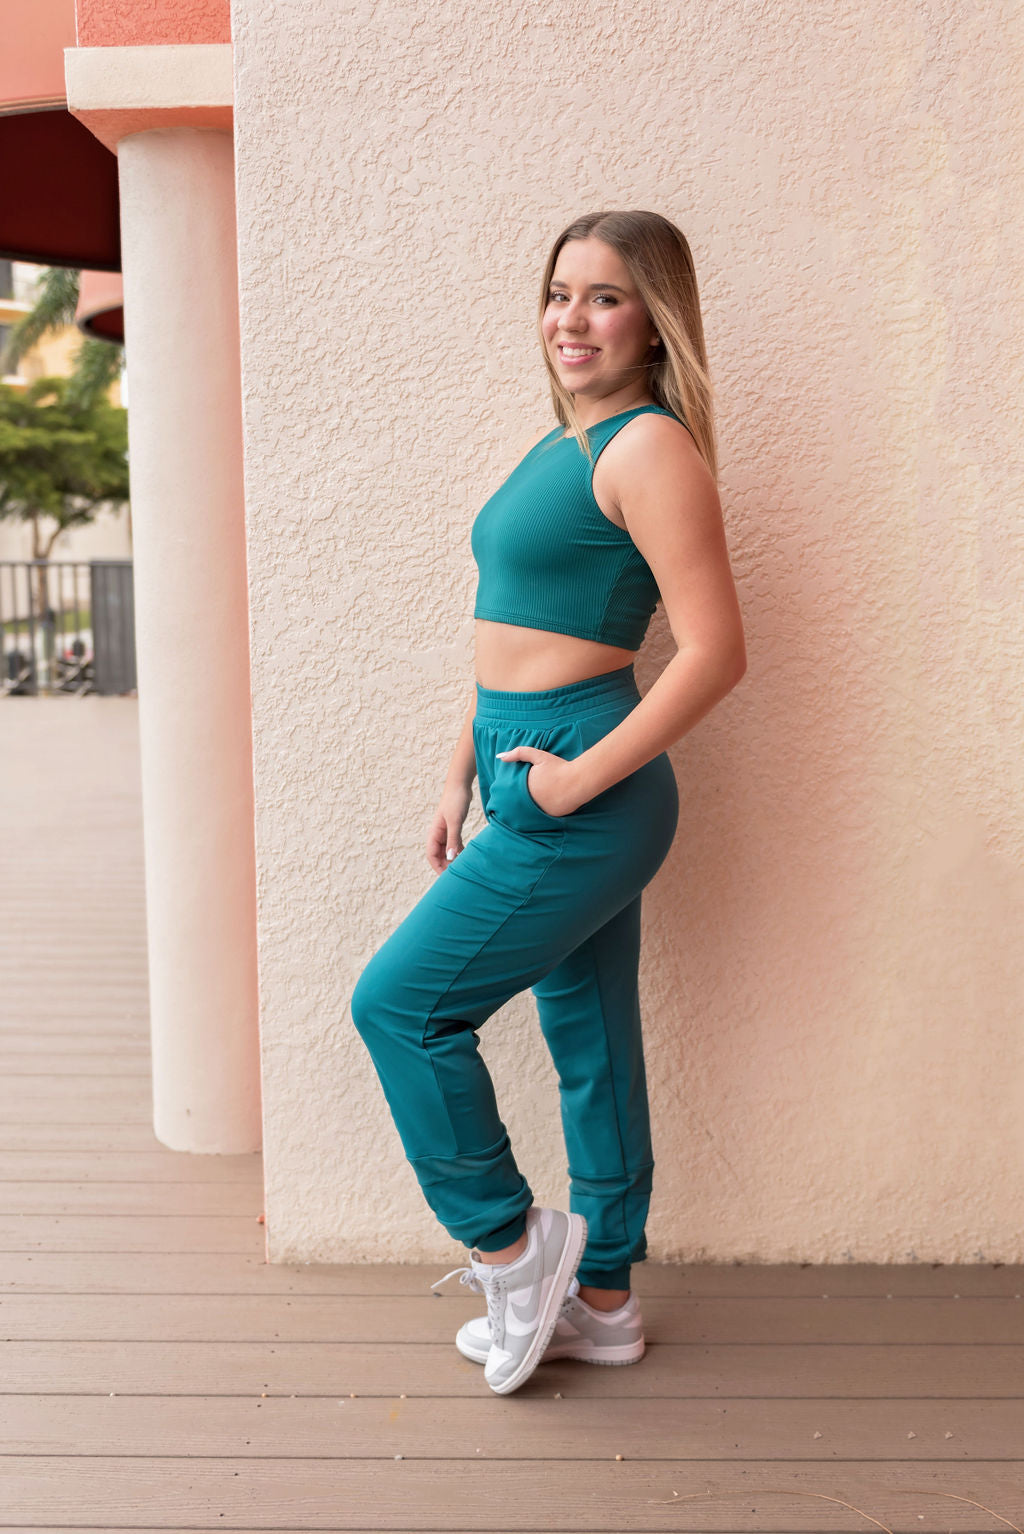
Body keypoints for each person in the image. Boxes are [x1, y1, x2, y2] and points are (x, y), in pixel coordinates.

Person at [351, 208, 746, 1395]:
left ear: (654, 321)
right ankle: (607, 1303)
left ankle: (514, 1249)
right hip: (524, 761)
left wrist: (573, 776)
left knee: (401, 1006)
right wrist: (456, 767)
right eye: (558, 292)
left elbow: (716, 652)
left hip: (585, 779)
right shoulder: (557, 444)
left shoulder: (646, 449)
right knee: (590, 1045)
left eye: (605, 296)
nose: (571, 318)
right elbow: (504, 629)